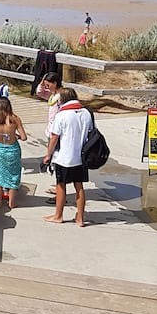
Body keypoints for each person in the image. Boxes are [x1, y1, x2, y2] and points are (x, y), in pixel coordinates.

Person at [42, 87, 92, 227]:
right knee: (79, 186)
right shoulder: (86, 113)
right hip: (81, 157)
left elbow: (54, 137)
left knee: (61, 185)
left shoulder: (62, 115)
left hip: (64, 157)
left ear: (62, 100)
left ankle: (58, 215)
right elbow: (90, 132)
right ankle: (80, 218)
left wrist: (48, 155)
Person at [36, 72, 64, 199]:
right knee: (53, 159)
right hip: (51, 130)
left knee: (55, 159)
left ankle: (60, 189)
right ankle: (57, 185)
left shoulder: (61, 97)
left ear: (55, 83)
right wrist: (42, 83)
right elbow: (39, 92)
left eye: (48, 85)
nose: (46, 87)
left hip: (57, 132)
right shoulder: (52, 95)